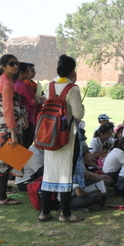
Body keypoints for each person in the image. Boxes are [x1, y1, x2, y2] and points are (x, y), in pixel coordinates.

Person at [39, 55, 85, 222]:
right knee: (66, 173)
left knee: (49, 172)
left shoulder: (50, 85)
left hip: (49, 134)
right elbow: (78, 114)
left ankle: (44, 212)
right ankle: (65, 213)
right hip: (67, 136)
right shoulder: (72, 89)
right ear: (72, 71)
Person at [0, 54, 25, 206]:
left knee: (4, 161)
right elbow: (8, 109)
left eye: (16, 63)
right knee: (5, 162)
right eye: (11, 64)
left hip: (2, 125)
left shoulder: (3, 80)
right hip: (7, 127)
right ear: (3, 66)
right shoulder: (7, 83)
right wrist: (13, 133)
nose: (15, 66)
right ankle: (1, 198)